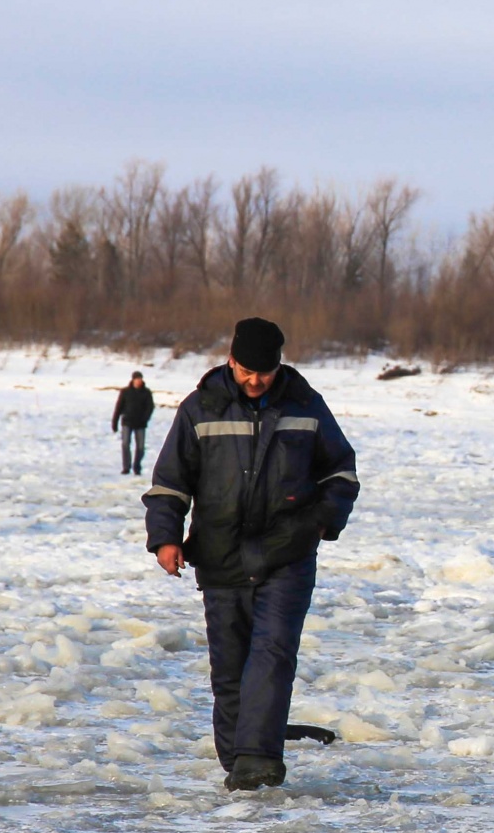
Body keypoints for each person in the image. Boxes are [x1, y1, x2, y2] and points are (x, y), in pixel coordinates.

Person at [145, 318, 359, 792]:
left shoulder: (306, 406)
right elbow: (169, 484)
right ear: (231, 359)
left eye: (265, 371)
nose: (256, 380)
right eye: (247, 370)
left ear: (279, 365)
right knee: (231, 666)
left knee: (272, 654)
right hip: (220, 555)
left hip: (288, 553)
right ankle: (238, 758)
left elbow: (341, 474)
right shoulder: (200, 409)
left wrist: (322, 522)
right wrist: (166, 537)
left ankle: (258, 758)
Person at [113, 372, 155, 475]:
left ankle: (137, 466)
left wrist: (145, 418)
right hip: (127, 422)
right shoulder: (125, 392)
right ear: (133, 380)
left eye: (140, 379)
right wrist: (115, 421)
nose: (138, 381)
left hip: (141, 424)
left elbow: (150, 407)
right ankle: (126, 467)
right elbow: (119, 407)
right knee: (125, 444)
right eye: (137, 379)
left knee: (140, 447)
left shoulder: (146, 392)